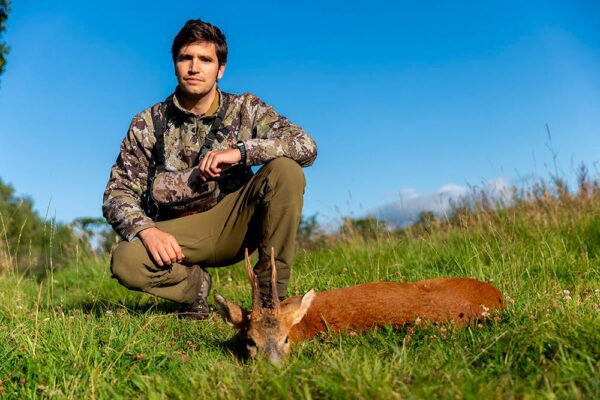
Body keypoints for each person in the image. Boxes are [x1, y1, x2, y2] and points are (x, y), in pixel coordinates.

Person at [102, 19, 317, 319]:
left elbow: (305, 145)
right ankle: (196, 289)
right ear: (174, 64)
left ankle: (269, 302)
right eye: (185, 58)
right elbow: (116, 194)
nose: (194, 67)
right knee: (125, 261)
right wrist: (147, 231)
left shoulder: (246, 108)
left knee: (286, 171)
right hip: (179, 238)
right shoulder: (148, 122)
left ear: (220, 68)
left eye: (205, 59)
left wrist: (241, 153)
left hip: (236, 224)